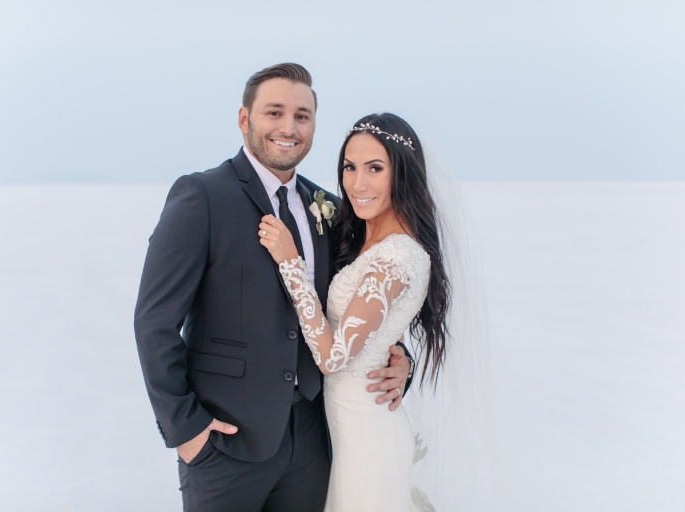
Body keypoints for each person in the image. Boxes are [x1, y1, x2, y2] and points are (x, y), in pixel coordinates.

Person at [133, 64, 414, 511]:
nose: (289, 127)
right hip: (225, 445)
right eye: (274, 113)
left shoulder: (331, 209)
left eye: (302, 116)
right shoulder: (201, 197)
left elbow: (362, 303)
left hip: (314, 444)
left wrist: (401, 361)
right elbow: (154, 322)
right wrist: (186, 430)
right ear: (244, 120)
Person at [258, 112, 450, 511]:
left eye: (375, 168)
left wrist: (291, 263)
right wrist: (403, 359)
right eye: (349, 167)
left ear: (404, 175)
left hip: (369, 437)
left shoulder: (396, 258)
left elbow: (333, 357)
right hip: (343, 433)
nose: (357, 183)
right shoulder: (362, 236)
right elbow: (381, 332)